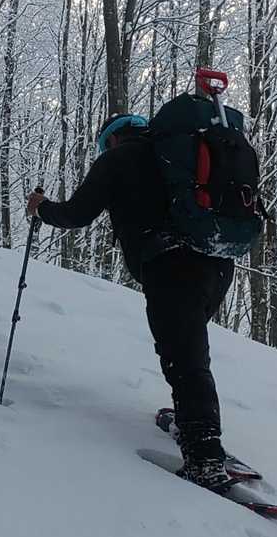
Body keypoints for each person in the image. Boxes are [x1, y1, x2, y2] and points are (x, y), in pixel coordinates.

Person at [27, 111, 237, 490]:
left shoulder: (118, 158)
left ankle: (205, 457)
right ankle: (193, 422)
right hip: (218, 264)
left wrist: (42, 208)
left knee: (184, 358)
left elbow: (77, 214)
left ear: (112, 139)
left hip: (171, 265)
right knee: (187, 350)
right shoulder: (178, 156)